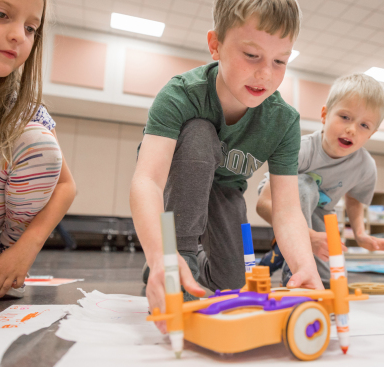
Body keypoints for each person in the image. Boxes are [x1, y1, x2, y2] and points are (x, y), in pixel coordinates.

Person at [130, 0, 323, 333]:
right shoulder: (180, 95)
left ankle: (196, 269)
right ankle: (181, 258)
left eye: (280, 60)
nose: (265, 73)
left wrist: (304, 266)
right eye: (252, 55)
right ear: (215, 45)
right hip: (181, 173)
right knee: (200, 133)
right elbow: (147, 180)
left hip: (224, 189)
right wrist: (162, 257)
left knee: (231, 282)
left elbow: (287, 209)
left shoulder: (284, 122)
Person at [256, 73, 384, 288]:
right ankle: (291, 261)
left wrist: (360, 234)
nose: (351, 129)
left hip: (322, 210)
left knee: (330, 283)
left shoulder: (365, 166)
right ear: (325, 115)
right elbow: (264, 204)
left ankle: (277, 254)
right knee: (305, 185)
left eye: (364, 126)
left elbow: (354, 197)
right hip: (281, 200)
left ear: (372, 134)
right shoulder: (301, 149)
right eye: (345, 117)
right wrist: (303, 237)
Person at [0, 0, 76, 300]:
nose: (19, 36)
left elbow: (66, 186)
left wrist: (23, 250)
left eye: (30, 28)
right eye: (1, 14)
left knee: (39, 143)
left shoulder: (21, 107)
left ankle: (0, 272)